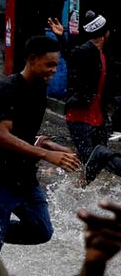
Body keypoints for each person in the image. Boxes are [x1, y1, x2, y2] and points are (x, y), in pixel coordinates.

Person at [0, 36, 81, 258]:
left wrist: (51, 145)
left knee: (41, 231)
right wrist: (46, 154)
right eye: (49, 64)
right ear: (32, 60)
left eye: (57, 65)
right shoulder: (6, 89)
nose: (54, 70)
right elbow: (2, 136)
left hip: (24, 178)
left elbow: (27, 132)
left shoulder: (41, 87)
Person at [53, 12, 121, 184]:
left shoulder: (103, 54)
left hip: (99, 117)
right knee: (90, 157)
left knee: (100, 158)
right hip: (81, 116)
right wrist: (61, 39)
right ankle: (77, 187)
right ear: (106, 33)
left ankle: (83, 185)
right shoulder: (86, 51)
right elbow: (70, 56)